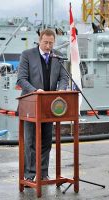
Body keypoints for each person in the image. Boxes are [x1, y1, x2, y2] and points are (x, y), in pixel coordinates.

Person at [17, 29, 69, 182]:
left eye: (51, 43)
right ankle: (29, 175)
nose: (48, 46)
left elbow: (64, 77)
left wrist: (62, 89)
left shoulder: (57, 56)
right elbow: (21, 79)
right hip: (31, 104)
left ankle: (43, 173)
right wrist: (35, 91)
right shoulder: (27, 55)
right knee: (30, 141)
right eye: (45, 43)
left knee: (46, 141)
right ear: (39, 40)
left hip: (50, 105)